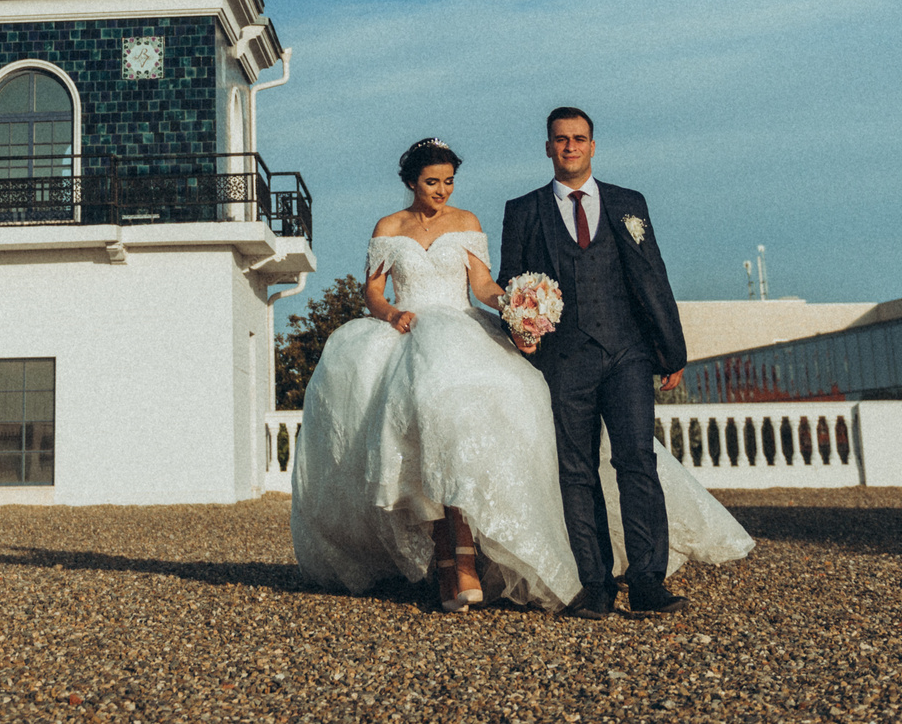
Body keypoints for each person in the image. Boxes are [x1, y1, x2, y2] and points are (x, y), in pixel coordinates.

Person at [291, 138, 584, 611]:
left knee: (465, 427)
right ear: (411, 182)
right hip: (406, 332)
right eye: (432, 182)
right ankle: (448, 563)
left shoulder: (466, 223)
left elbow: (482, 285)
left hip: (461, 330)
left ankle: (464, 559)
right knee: (417, 439)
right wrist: (390, 315)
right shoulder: (389, 227)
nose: (442, 190)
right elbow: (373, 291)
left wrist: (513, 306)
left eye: (449, 181)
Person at [498, 105, 753, 619]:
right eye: (560, 139)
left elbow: (651, 275)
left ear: (594, 146)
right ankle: (595, 585)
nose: (570, 146)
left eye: (579, 138)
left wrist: (669, 348)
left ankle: (646, 582)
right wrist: (522, 331)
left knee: (637, 460)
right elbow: (511, 284)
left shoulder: (627, 203)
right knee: (576, 470)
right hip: (564, 359)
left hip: (627, 353)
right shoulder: (523, 210)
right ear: (547, 147)